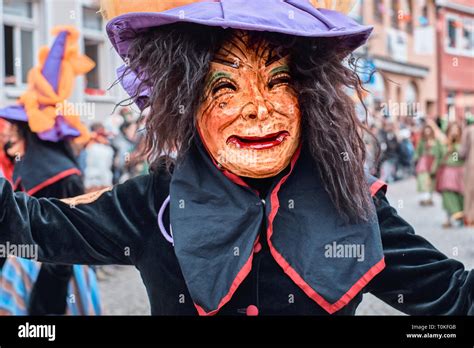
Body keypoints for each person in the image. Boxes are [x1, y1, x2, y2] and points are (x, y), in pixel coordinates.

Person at [0, 0, 473, 316]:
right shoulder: (156, 201)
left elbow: (454, 298)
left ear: (309, 94)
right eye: (224, 86)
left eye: (278, 81)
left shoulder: (354, 200)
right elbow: (28, 227)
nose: (259, 108)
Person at [0, 27, 100, 316]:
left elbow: (64, 247)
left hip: (51, 279)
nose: (7, 137)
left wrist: (44, 310)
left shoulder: (59, 176)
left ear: (28, 133)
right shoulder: (31, 167)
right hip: (25, 267)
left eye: (14, 131)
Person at [435, 123, 465, 228]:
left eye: (456, 129)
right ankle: (451, 216)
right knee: (448, 192)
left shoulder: (462, 143)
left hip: (460, 171)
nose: (454, 132)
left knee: (460, 194)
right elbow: (438, 157)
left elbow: (462, 155)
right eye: (452, 129)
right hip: (447, 171)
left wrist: (455, 145)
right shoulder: (443, 143)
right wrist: (433, 172)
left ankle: (460, 216)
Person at [414, 123, 443, 206]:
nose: (427, 132)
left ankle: (429, 198)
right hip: (423, 162)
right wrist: (416, 158)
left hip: (433, 162)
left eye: (429, 130)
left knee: (432, 181)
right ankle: (424, 197)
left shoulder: (436, 141)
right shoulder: (422, 141)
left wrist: (439, 162)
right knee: (423, 179)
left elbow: (440, 152)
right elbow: (417, 152)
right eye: (426, 130)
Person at [460, 118, 474, 226]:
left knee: (469, 192)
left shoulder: (469, 130)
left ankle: (469, 217)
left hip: (471, 165)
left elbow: (462, 152)